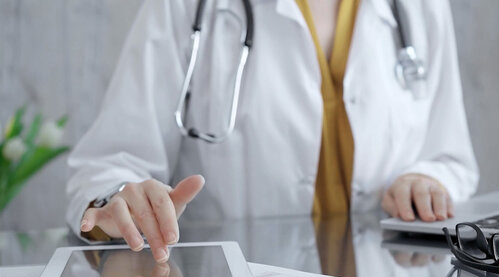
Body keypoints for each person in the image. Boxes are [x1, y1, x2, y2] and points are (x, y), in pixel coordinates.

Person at [67, 0, 478, 263]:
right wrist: (120, 200)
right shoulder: (186, 7)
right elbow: (110, 164)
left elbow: (451, 157)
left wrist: (428, 180)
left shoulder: (421, 8)